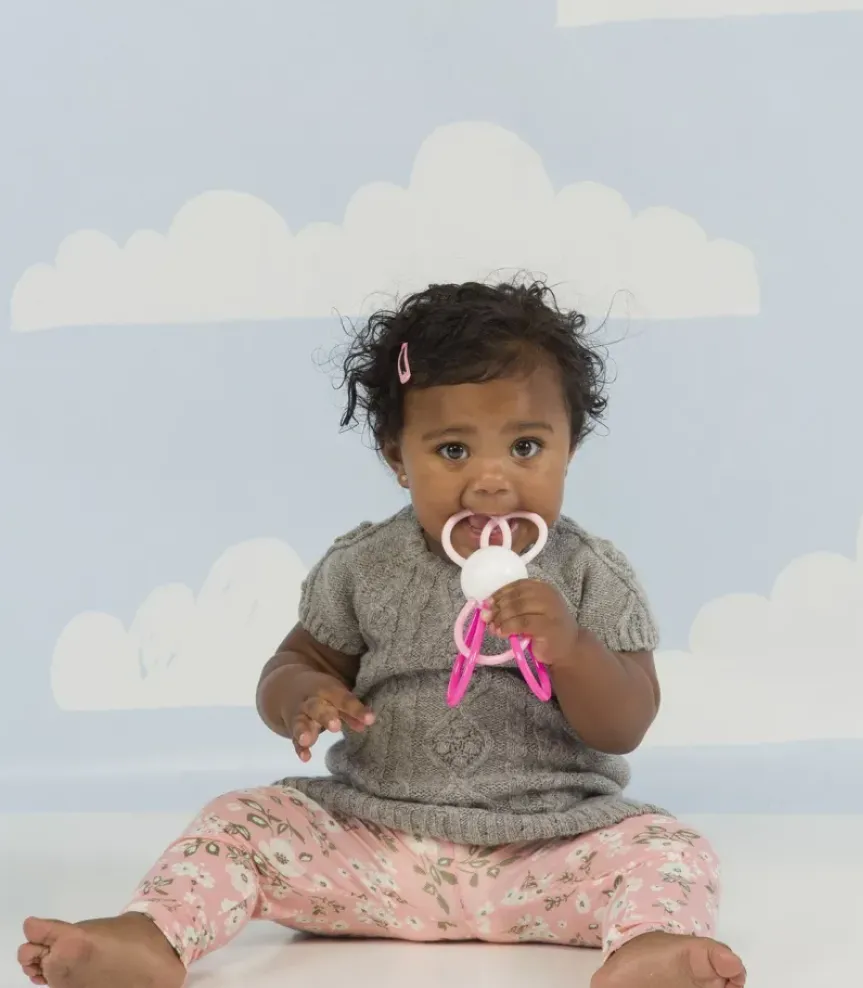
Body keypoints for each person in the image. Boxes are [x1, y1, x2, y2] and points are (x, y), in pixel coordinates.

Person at [18, 281, 746, 988]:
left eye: (526, 447)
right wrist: (304, 694)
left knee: (668, 848)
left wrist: (571, 649)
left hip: (548, 855)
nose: (492, 481)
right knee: (242, 819)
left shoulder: (588, 573)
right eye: (453, 451)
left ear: (570, 449)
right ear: (398, 457)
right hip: (375, 852)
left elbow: (625, 725)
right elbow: (292, 662)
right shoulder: (366, 566)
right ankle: (150, 936)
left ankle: (648, 950)